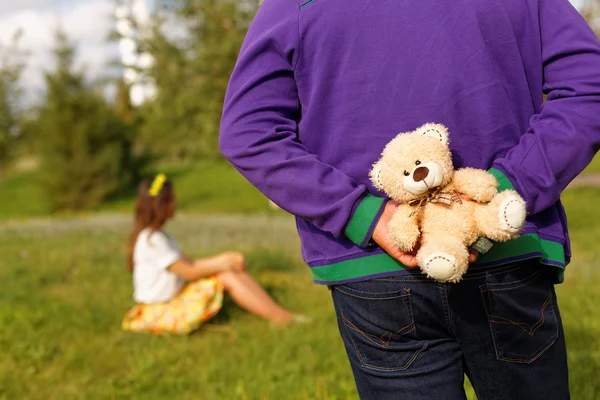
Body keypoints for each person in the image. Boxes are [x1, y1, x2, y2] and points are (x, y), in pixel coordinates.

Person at [218, 0, 600, 398]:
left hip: (376, 271)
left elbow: (248, 132)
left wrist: (361, 214)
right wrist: (505, 188)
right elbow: (590, 89)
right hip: (502, 254)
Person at [122, 174, 306, 335]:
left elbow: (190, 263)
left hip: (169, 302)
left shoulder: (159, 236)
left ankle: (277, 314)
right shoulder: (153, 240)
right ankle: (279, 317)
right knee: (226, 276)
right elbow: (189, 272)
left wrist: (225, 259)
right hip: (160, 311)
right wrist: (223, 264)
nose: (175, 204)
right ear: (159, 206)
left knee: (229, 271)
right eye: (171, 200)